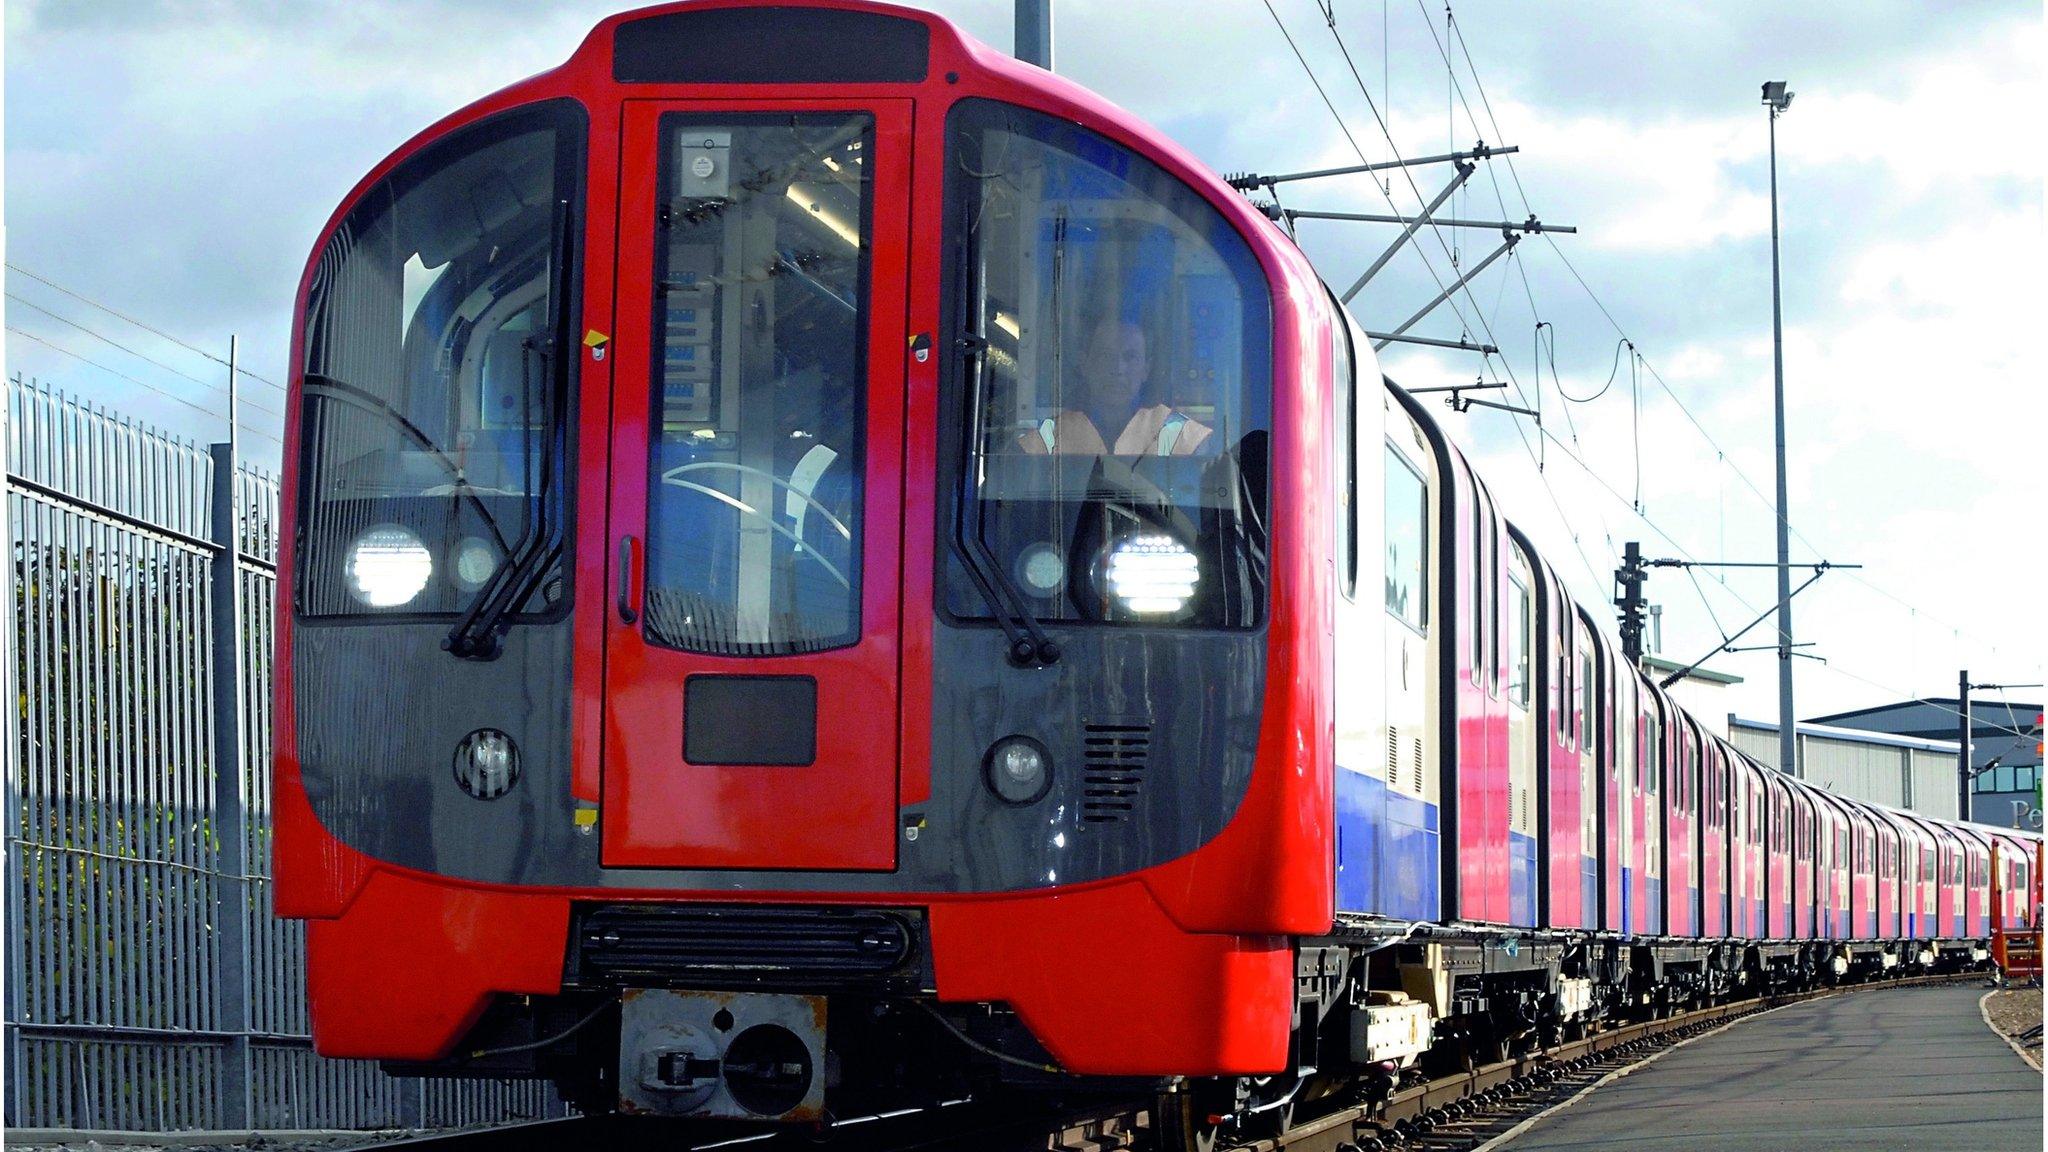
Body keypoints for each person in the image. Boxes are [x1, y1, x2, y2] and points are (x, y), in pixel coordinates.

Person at [1019, 319, 1212, 456]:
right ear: (1085, 364)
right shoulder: (1046, 439)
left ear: (1146, 369)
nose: (1118, 369)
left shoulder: (1188, 439)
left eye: (1130, 357)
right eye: (1105, 356)